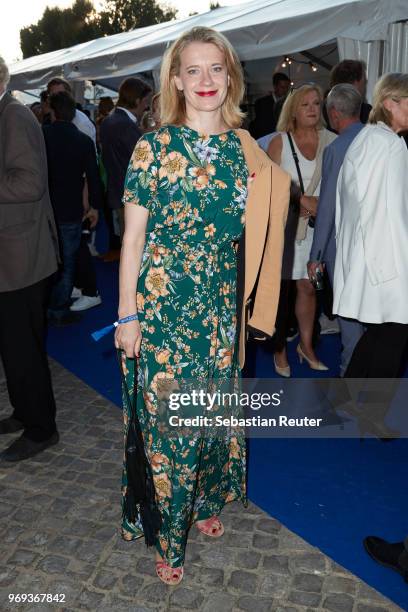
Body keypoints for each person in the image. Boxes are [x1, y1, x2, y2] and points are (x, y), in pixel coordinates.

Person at [115, 26, 290, 585]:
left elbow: (262, 230)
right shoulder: (154, 147)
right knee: (170, 427)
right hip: (164, 306)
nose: (206, 80)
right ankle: (168, 535)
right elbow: (133, 242)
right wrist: (127, 315)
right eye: (193, 70)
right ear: (176, 80)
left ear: (231, 76)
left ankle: (206, 502)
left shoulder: (247, 152)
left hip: (219, 308)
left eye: (216, 68)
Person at [0, 56, 60, 462]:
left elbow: (30, 183)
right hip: (12, 257)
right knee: (14, 346)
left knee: (23, 349)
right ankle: (24, 413)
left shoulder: (14, 116)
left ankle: (42, 429)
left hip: (20, 259)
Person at [334, 72, 408, 378]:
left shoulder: (368, 137)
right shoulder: (390, 145)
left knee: (380, 334)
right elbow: (391, 213)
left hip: (367, 258)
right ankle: (372, 415)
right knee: (394, 336)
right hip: (386, 260)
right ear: (391, 103)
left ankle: (349, 398)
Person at [268, 84, 336, 377]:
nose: (312, 109)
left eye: (316, 103)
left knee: (309, 287)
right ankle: (279, 348)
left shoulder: (331, 140)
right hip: (286, 230)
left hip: (318, 230)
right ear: (293, 110)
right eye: (305, 104)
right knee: (281, 294)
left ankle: (306, 347)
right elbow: (267, 186)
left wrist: (323, 204)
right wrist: (302, 201)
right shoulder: (280, 142)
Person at [307, 84, 365, 375]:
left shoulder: (336, 149)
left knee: (350, 321)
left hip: (342, 249)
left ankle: (351, 381)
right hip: (377, 245)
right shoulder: (382, 142)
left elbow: (326, 207)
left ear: (333, 113)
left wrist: (316, 255)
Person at [43, 91, 102, 325]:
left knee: (50, 259)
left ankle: (52, 304)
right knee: (68, 261)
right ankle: (57, 308)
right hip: (71, 210)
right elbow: (94, 177)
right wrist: (95, 207)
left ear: (53, 112)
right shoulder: (83, 141)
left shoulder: (42, 135)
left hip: (45, 208)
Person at [99, 77, 152, 260]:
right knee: (136, 252)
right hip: (133, 197)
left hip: (119, 194)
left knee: (129, 247)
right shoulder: (125, 125)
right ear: (137, 101)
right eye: (146, 102)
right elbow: (143, 160)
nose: (146, 107)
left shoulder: (109, 121)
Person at [46, 78, 96, 144]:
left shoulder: (82, 123)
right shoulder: (47, 120)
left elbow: (87, 151)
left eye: (61, 95)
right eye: (53, 96)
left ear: (69, 97)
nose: (57, 99)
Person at [325, 60, 372, 127]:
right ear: (356, 82)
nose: (365, 84)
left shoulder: (322, 112)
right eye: (364, 81)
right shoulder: (366, 111)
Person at [249, 72, 291, 139]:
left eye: (287, 87)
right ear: (275, 86)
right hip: (266, 140)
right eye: (282, 87)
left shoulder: (290, 103)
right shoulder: (261, 103)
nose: (285, 90)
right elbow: (259, 126)